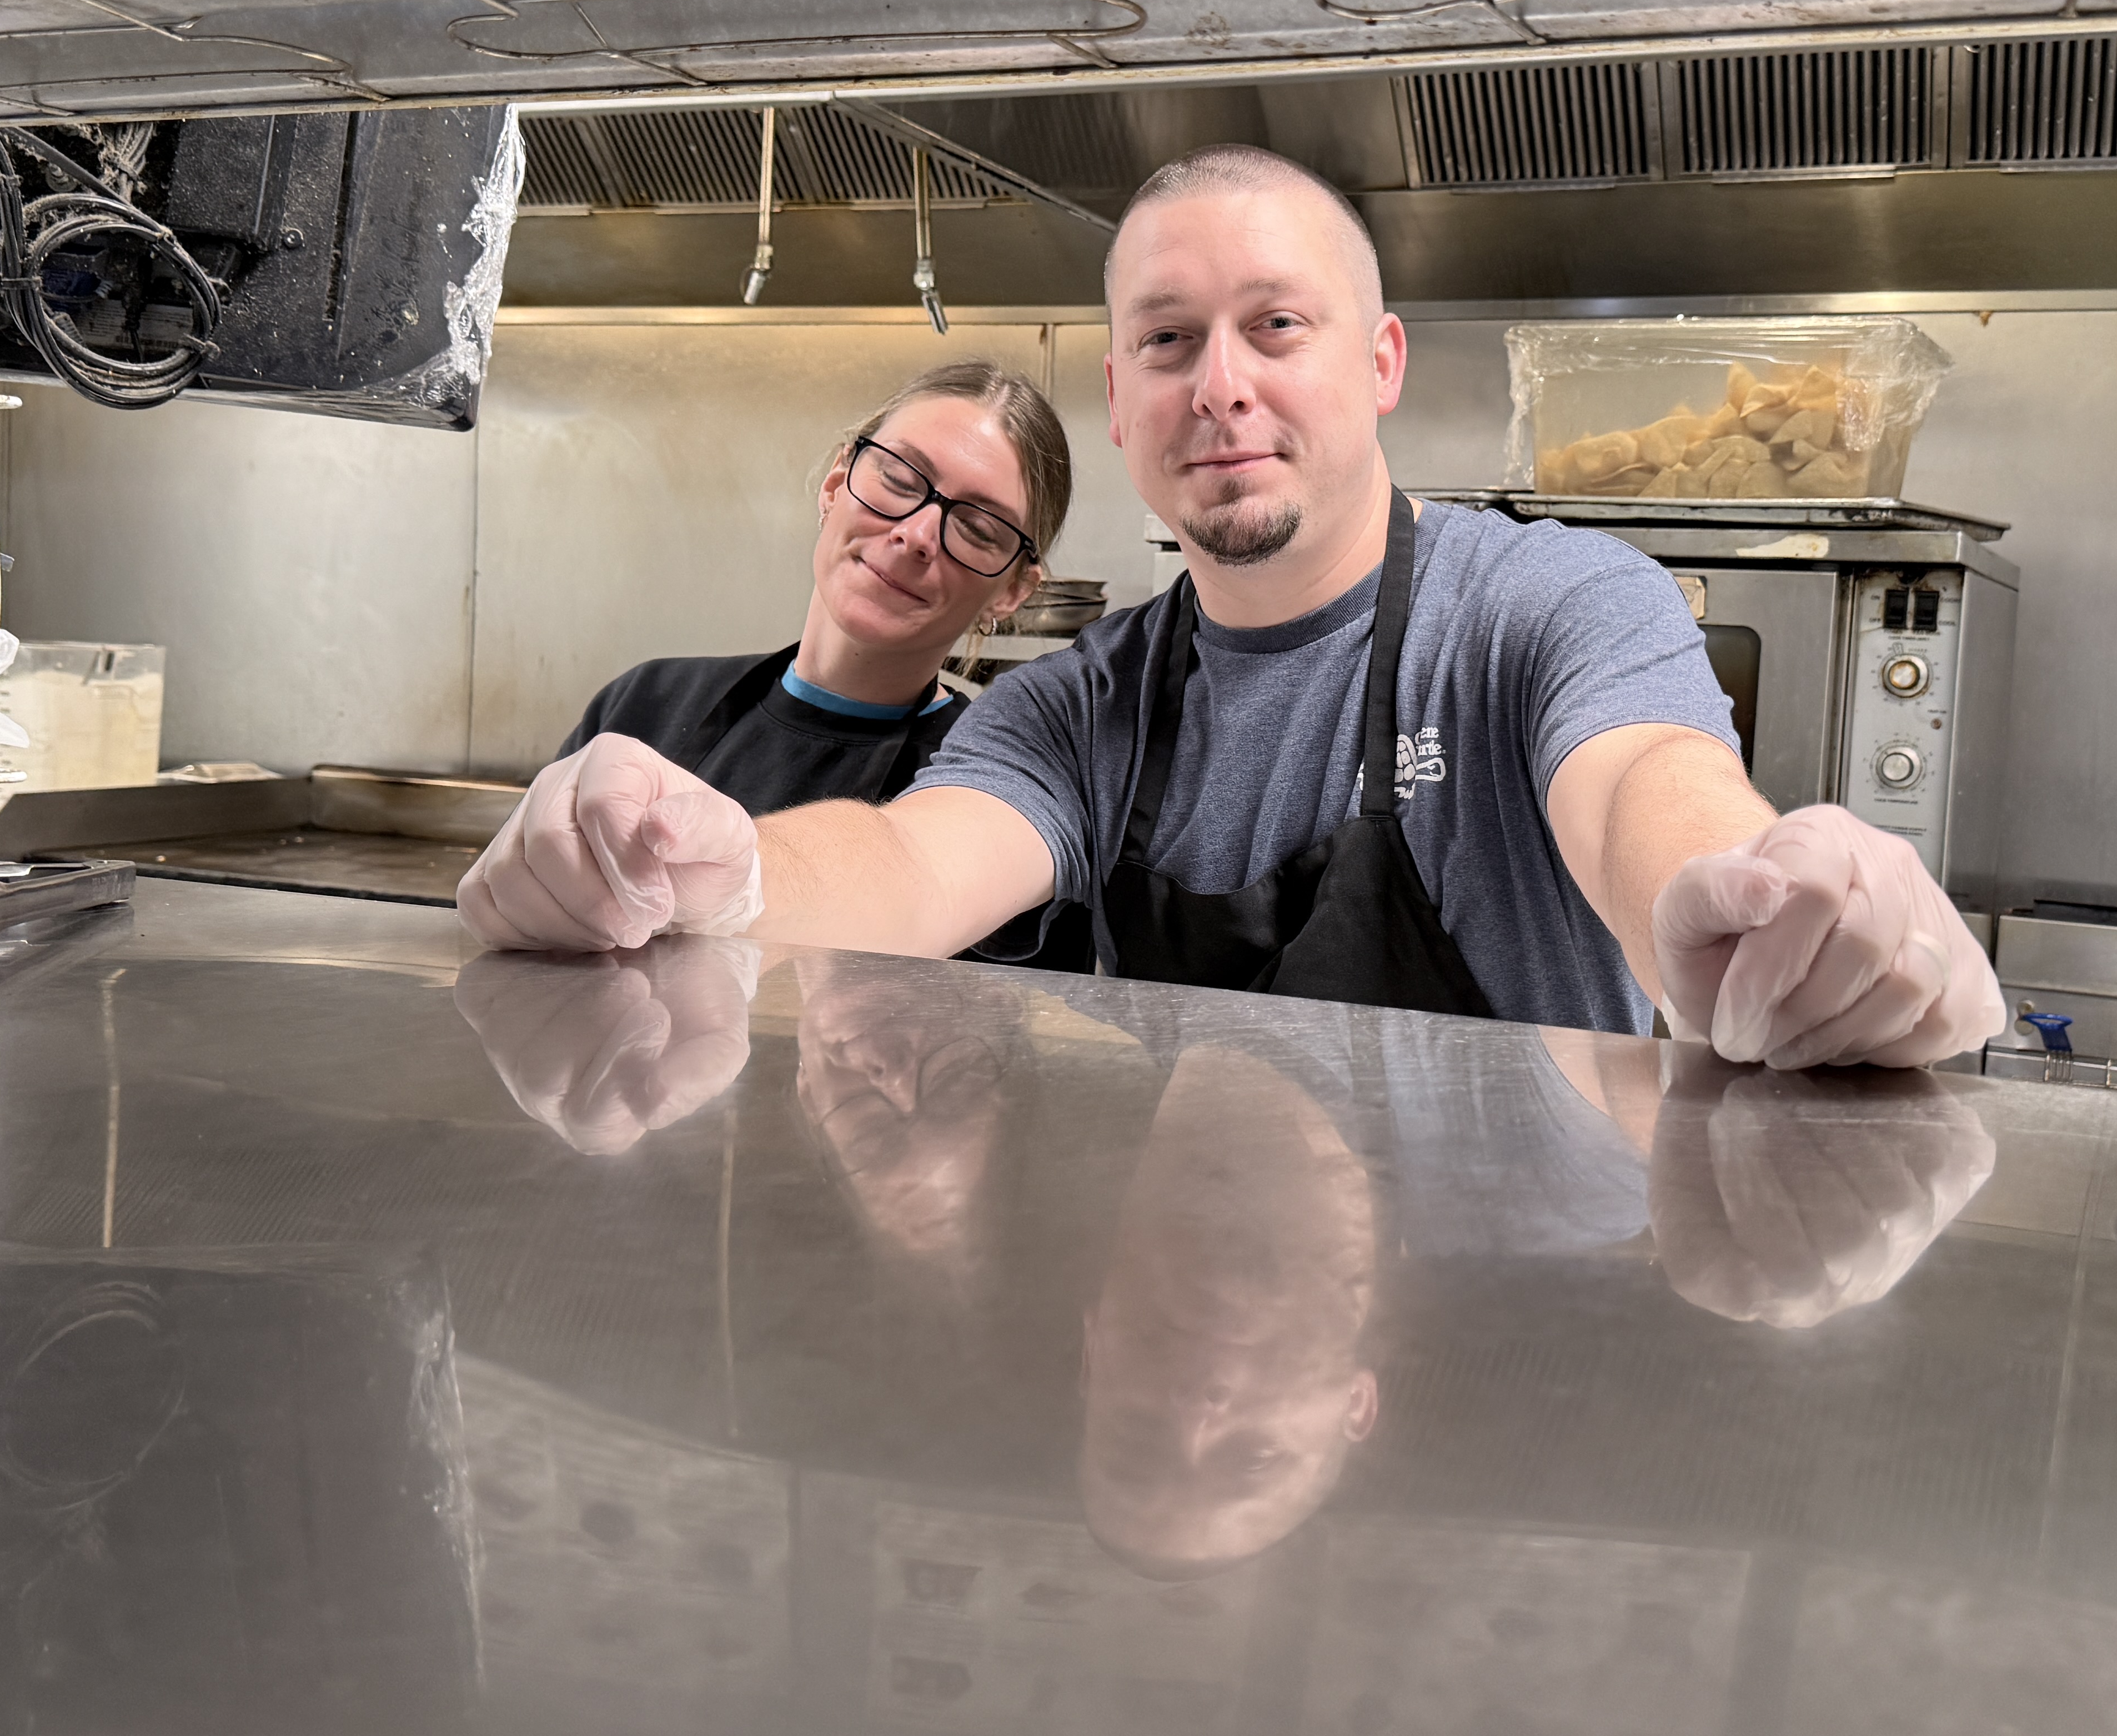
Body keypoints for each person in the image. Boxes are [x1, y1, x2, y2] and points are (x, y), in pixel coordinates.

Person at [459, 146, 2006, 1070]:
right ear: (1121, 401)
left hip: (1525, 1361)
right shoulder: (1078, 705)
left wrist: (1746, 912)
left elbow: (1647, 787)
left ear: (1380, 364)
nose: (1222, 386)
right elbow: (909, 860)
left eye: (1276, 325)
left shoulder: (1540, 606)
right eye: (1167, 340)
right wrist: (712, 871)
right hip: (1184, 1322)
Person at [554, 360, 1072, 814]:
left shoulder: (988, 792)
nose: (916, 535)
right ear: (835, 484)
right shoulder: (644, 706)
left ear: (1011, 592)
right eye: (899, 479)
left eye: (978, 529)